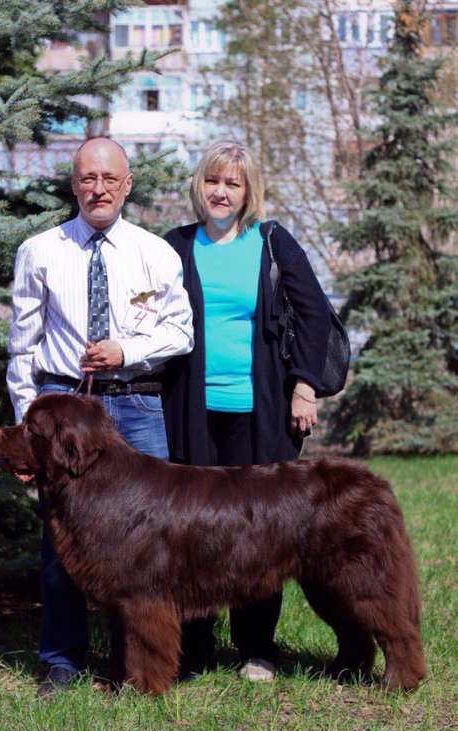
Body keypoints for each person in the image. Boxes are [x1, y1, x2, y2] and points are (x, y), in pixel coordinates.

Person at [7, 137, 194, 696]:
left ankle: (136, 662)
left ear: (128, 185)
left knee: (150, 545)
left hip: (134, 402)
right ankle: (61, 660)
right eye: (88, 178)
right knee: (61, 543)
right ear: (73, 184)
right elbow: (22, 347)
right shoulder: (39, 250)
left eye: (110, 179)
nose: (99, 189)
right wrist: (27, 432)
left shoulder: (155, 251)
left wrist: (125, 351)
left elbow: (180, 332)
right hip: (61, 412)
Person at [163, 140, 331, 682]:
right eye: (214, 181)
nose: (221, 191)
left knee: (259, 528)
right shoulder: (175, 245)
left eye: (233, 183)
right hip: (189, 409)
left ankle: (257, 646)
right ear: (200, 185)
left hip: (259, 412)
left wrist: (304, 386)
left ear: (247, 191)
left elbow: (314, 315)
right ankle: (194, 642)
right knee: (190, 527)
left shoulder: (271, 242)